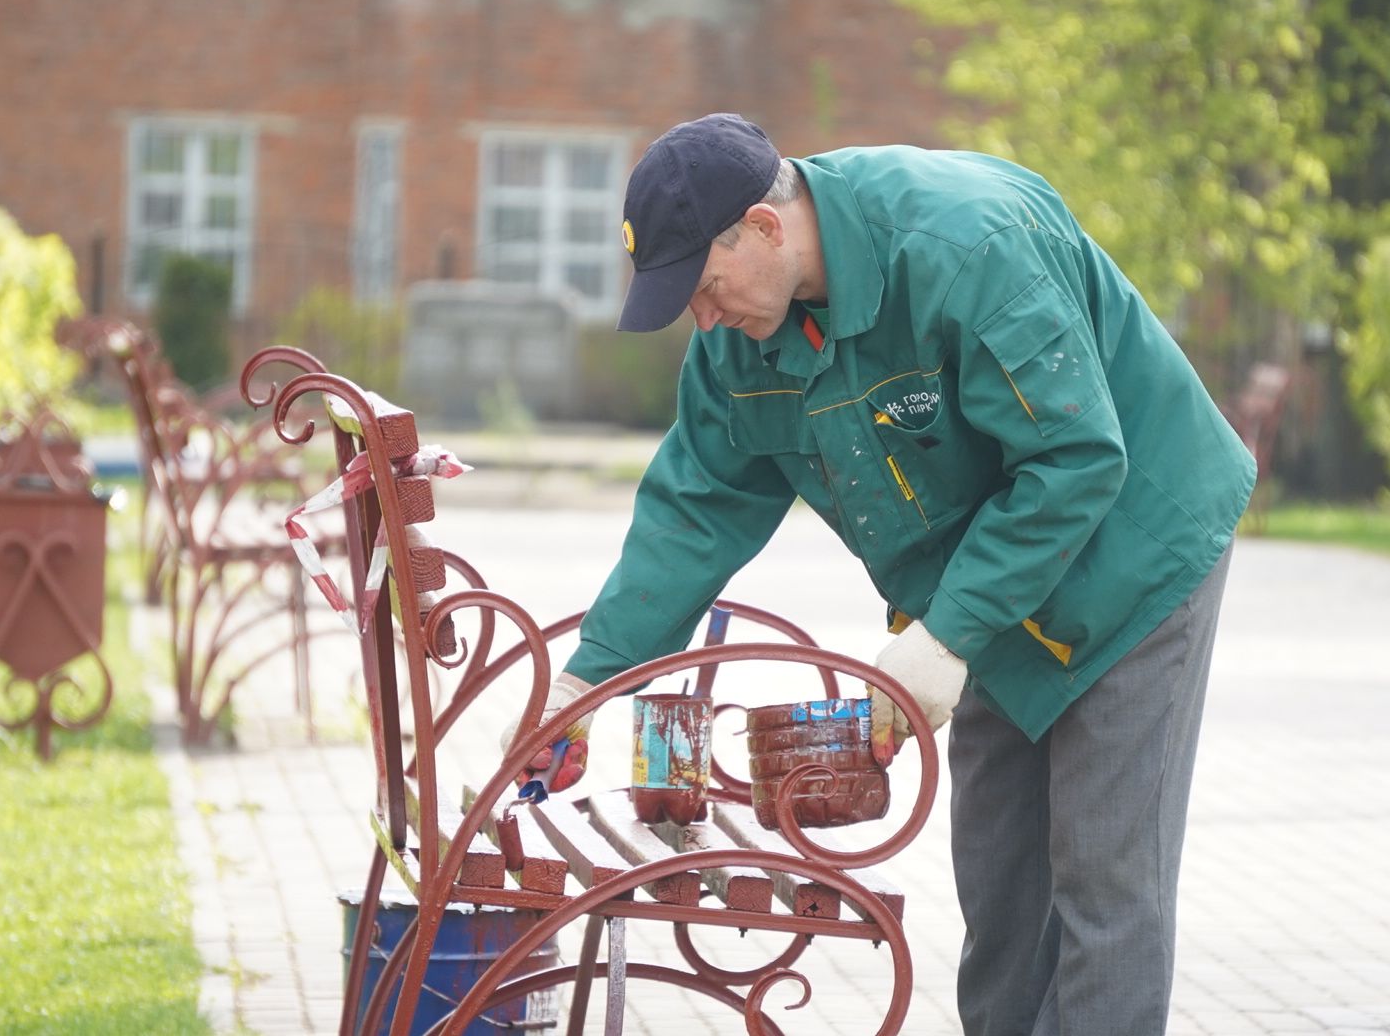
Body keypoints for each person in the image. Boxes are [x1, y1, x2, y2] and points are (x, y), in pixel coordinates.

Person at [506, 113, 1256, 1035]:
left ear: (767, 227)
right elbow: (693, 508)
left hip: (1136, 544)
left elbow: (1075, 460)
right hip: (989, 579)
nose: (703, 320)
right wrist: (584, 683)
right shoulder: (743, 340)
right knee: (1001, 879)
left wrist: (946, 638)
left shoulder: (964, 244)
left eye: (704, 286)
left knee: (1102, 875)